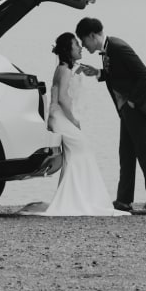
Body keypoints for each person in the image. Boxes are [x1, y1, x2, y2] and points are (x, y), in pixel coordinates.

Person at [21, 32, 125, 217]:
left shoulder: (67, 68)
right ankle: (78, 198)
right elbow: (62, 98)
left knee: (76, 154)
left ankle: (76, 197)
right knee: (82, 149)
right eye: (76, 45)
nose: (80, 47)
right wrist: (74, 120)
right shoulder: (64, 69)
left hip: (60, 116)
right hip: (60, 117)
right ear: (68, 50)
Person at [75, 16, 146, 215]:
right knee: (126, 154)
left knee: (144, 153)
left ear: (92, 36)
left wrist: (132, 101)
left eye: (84, 41)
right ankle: (124, 201)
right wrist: (98, 73)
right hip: (125, 109)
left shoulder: (117, 46)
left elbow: (144, 73)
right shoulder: (107, 49)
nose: (84, 46)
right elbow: (119, 74)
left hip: (134, 108)